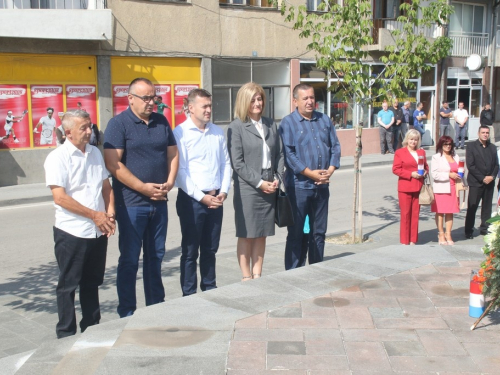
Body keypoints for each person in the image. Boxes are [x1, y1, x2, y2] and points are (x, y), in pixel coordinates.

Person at [104, 77, 179, 317]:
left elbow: (173, 154)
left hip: (159, 202)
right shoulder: (118, 124)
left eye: (154, 97)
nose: (151, 102)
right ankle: (126, 311)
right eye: (146, 98)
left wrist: (169, 182)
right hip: (131, 205)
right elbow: (113, 164)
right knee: (129, 259)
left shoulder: (161, 121)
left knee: (156, 256)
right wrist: (143, 188)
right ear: (130, 99)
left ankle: (155, 305)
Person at [44, 110, 116, 338]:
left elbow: (105, 187)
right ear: (68, 133)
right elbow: (60, 198)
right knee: (68, 286)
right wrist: (95, 215)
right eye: (83, 128)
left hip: (97, 231)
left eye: (90, 126)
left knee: (92, 282)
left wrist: (110, 213)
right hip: (71, 232)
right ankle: (66, 333)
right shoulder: (57, 158)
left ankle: (92, 327)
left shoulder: (95, 152)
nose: (89, 132)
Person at [174, 89, 231, 296]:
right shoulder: (180, 133)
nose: (209, 110)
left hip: (216, 198)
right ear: (191, 108)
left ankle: (209, 288)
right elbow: (180, 171)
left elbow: (226, 163)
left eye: (210, 106)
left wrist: (223, 191)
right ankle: (188, 295)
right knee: (190, 252)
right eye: (204, 106)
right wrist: (201, 197)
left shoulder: (217, 131)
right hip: (192, 201)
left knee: (210, 249)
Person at [279, 83, 341, 270]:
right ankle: (293, 273)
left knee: (318, 232)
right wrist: (310, 173)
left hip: (322, 187)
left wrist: (329, 170)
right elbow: (289, 155)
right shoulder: (288, 123)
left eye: (312, 97)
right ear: (295, 100)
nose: (309, 101)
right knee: (298, 233)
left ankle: (316, 269)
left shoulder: (324, 120)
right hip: (299, 188)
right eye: (305, 98)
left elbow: (335, 147)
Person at [227, 82, 284, 281]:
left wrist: (277, 177)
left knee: (262, 232)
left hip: (270, 184)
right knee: (247, 233)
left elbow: (280, 153)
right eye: (252, 100)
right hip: (249, 188)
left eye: (259, 99)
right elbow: (238, 163)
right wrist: (260, 183)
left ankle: (258, 273)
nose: (257, 103)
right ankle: (246, 276)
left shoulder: (270, 124)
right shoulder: (236, 127)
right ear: (244, 102)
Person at [392, 129, 428, 245]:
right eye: (411, 139)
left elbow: (426, 166)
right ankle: (404, 240)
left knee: (415, 213)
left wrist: (425, 172)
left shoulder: (421, 152)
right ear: (407, 139)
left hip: (418, 186)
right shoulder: (400, 152)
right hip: (405, 187)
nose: (413, 142)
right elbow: (396, 169)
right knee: (406, 213)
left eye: (416, 140)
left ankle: (413, 239)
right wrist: (410, 174)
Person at [464, 125, 499, 239]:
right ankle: (469, 230)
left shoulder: (493, 148)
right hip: (476, 182)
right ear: (478, 133)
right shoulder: (471, 146)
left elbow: (496, 165)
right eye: (483, 132)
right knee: (472, 206)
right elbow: (470, 165)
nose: (485, 134)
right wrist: (483, 177)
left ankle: (485, 228)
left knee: (487, 207)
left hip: (489, 182)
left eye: (487, 133)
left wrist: (492, 176)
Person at [430, 136, 461, 245]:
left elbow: (459, 169)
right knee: (440, 212)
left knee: (450, 212)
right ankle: (441, 233)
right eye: (445, 144)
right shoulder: (436, 157)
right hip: (441, 188)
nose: (448, 146)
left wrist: (460, 174)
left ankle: (448, 233)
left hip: (453, 187)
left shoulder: (456, 156)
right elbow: (434, 174)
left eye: (450, 144)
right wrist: (448, 174)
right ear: (441, 145)